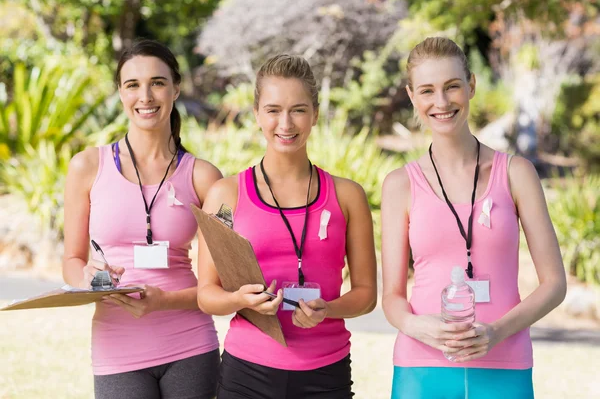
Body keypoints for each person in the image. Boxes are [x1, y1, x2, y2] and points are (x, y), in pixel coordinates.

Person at [381, 37, 567, 399]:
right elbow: (391, 296)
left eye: (452, 86)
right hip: (421, 369)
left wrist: (496, 332)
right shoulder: (400, 184)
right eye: (427, 90)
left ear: (472, 85)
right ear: (412, 96)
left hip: (505, 365)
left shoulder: (517, 173)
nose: (441, 102)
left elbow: (554, 283)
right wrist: (417, 327)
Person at [196, 54, 377, 399]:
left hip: (326, 375)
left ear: (315, 114)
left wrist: (329, 309)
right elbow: (207, 294)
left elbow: (367, 295)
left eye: (298, 109)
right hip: (246, 374)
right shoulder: (225, 195)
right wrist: (238, 299)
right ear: (256, 114)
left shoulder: (348, 195)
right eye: (273, 110)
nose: (286, 123)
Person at [62, 39, 222, 399]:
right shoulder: (86, 167)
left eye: (158, 83)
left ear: (176, 88)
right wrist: (87, 277)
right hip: (117, 347)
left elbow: (222, 281)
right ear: (121, 93)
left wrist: (164, 300)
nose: (145, 96)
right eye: (132, 85)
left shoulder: (206, 177)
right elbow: (72, 261)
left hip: (191, 345)